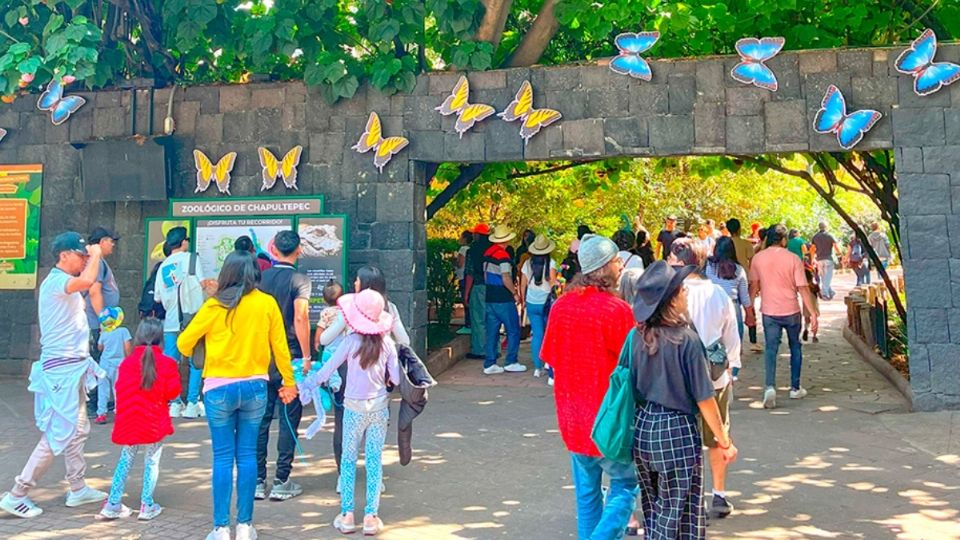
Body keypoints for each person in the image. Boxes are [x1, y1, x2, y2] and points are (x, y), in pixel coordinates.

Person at [176, 251, 297, 540]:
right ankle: (244, 526)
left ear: (226, 274)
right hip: (255, 388)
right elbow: (281, 348)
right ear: (255, 274)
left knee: (221, 458)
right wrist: (289, 383)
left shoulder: (214, 305)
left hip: (218, 389)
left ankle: (220, 528)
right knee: (247, 457)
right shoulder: (266, 303)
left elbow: (183, 343)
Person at [0, 232, 108, 518]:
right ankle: (17, 493)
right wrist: (97, 255)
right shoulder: (58, 281)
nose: (84, 260)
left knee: (78, 430)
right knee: (59, 433)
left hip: (72, 367)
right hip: (62, 370)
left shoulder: (61, 283)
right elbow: (87, 282)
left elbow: (88, 285)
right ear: (64, 256)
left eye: (86, 256)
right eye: (80, 256)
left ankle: (77, 487)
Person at [629, 261, 738, 538]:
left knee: (654, 506)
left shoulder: (636, 338)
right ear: (672, 300)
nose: (686, 295)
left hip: (643, 428)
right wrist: (724, 440)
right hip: (676, 431)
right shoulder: (686, 341)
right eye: (681, 291)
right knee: (680, 510)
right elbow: (705, 398)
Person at [540, 234, 638, 540]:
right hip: (610, 419)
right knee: (625, 485)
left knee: (587, 495)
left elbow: (550, 358)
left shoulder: (560, 307)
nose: (621, 265)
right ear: (605, 268)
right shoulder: (617, 311)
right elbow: (632, 364)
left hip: (571, 417)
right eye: (616, 260)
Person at [309, 289, 399, 536]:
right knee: (374, 461)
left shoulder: (350, 342)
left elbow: (327, 370)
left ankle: (347, 515)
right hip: (379, 408)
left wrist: (310, 382)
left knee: (348, 461)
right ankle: (371, 517)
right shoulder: (388, 344)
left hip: (352, 409)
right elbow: (397, 378)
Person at [670, 238, 741, 519]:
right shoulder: (717, 293)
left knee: (687, 440)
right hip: (714, 376)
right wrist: (732, 367)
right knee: (717, 436)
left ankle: (691, 499)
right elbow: (731, 338)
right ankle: (719, 495)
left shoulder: (670, 294)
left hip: (677, 377)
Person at [97, 318, 181, 521]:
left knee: (126, 459)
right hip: (154, 421)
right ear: (161, 339)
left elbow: (119, 390)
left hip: (129, 420)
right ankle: (147, 504)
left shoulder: (127, 364)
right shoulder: (167, 363)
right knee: (152, 461)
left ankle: (113, 503)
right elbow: (173, 392)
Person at [255, 231, 312, 502]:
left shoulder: (261, 278)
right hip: (288, 358)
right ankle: (281, 479)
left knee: (261, 419)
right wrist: (306, 354)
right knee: (289, 417)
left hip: (261, 358)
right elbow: (300, 317)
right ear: (299, 250)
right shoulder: (300, 280)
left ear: (273, 249)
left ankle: (256, 480)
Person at [749, 224, 819, 409]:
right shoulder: (793, 259)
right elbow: (803, 288)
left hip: (769, 311)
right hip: (791, 310)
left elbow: (754, 286)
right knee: (795, 346)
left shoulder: (758, 259)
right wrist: (813, 314)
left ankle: (770, 387)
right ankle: (795, 388)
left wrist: (749, 310)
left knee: (771, 349)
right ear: (784, 240)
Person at [154, 226, 209, 419]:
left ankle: (175, 403)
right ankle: (193, 403)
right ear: (183, 242)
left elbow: (158, 298)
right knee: (196, 362)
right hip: (192, 320)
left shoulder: (163, 267)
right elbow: (202, 284)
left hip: (171, 322)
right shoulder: (192, 259)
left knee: (171, 363)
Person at [84, 226, 121, 417]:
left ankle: (98, 402)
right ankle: (94, 404)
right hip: (96, 324)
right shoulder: (96, 263)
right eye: (110, 240)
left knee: (99, 363)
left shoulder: (98, 263)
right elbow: (94, 291)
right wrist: (104, 322)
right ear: (101, 242)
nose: (112, 244)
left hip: (96, 322)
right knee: (98, 364)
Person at [482, 226, 525, 375]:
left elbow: (486, 276)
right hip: (503, 298)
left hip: (490, 297)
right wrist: (514, 293)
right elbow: (506, 277)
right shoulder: (503, 257)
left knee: (492, 332)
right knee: (513, 330)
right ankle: (511, 361)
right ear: (506, 240)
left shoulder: (487, 254)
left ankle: (490, 363)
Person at [520, 234, 558, 379]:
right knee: (549, 335)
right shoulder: (552, 263)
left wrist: (523, 301)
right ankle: (549, 365)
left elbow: (523, 284)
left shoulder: (527, 264)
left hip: (531, 302)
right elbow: (553, 283)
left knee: (537, 335)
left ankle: (537, 367)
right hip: (546, 303)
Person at [95, 307, 133, 424]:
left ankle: (101, 414)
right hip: (119, 364)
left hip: (104, 365)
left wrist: (103, 335)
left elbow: (100, 348)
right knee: (119, 389)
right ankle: (121, 413)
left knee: (102, 389)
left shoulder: (104, 333)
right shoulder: (123, 331)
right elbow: (127, 347)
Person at [464, 223, 491, 359]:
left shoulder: (472, 250)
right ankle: (494, 348)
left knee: (478, 319)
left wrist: (467, 293)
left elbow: (470, 273)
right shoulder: (493, 249)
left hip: (479, 286)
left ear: (477, 235)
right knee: (491, 319)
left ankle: (479, 350)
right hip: (493, 288)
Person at [811, 221, 843, 300]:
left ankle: (830, 291)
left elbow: (812, 249)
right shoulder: (830, 236)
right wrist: (840, 254)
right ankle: (824, 294)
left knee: (823, 277)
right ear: (826, 227)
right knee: (828, 277)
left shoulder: (815, 237)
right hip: (829, 259)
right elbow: (836, 246)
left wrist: (812, 259)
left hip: (819, 260)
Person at [455, 230, 473, 335]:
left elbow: (460, 264)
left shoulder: (463, 249)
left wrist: (454, 260)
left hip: (463, 277)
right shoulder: (471, 249)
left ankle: (467, 324)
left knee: (465, 301)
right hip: (469, 277)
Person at [802, 267, 821, 343]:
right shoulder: (815, 286)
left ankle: (806, 328)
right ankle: (814, 336)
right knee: (815, 319)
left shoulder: (803, 287)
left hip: (805, 304)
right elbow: (820, 296)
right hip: (814, 304)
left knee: (807, 318)